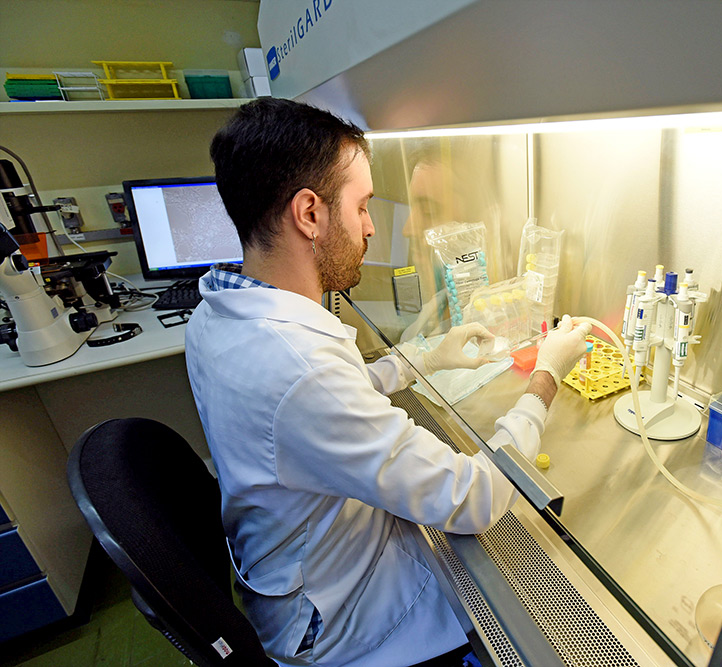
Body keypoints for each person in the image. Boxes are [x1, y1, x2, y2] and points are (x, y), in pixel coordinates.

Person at [184, 97, 592, 667]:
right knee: (516, 618)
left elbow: (320, 406)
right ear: (309, 214)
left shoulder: (218, 312)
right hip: (339, 621)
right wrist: (546, 376)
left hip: (292, 566)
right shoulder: (299, 368)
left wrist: (425, 355)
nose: (373, 227)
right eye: (363, 206)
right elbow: (473, 498)